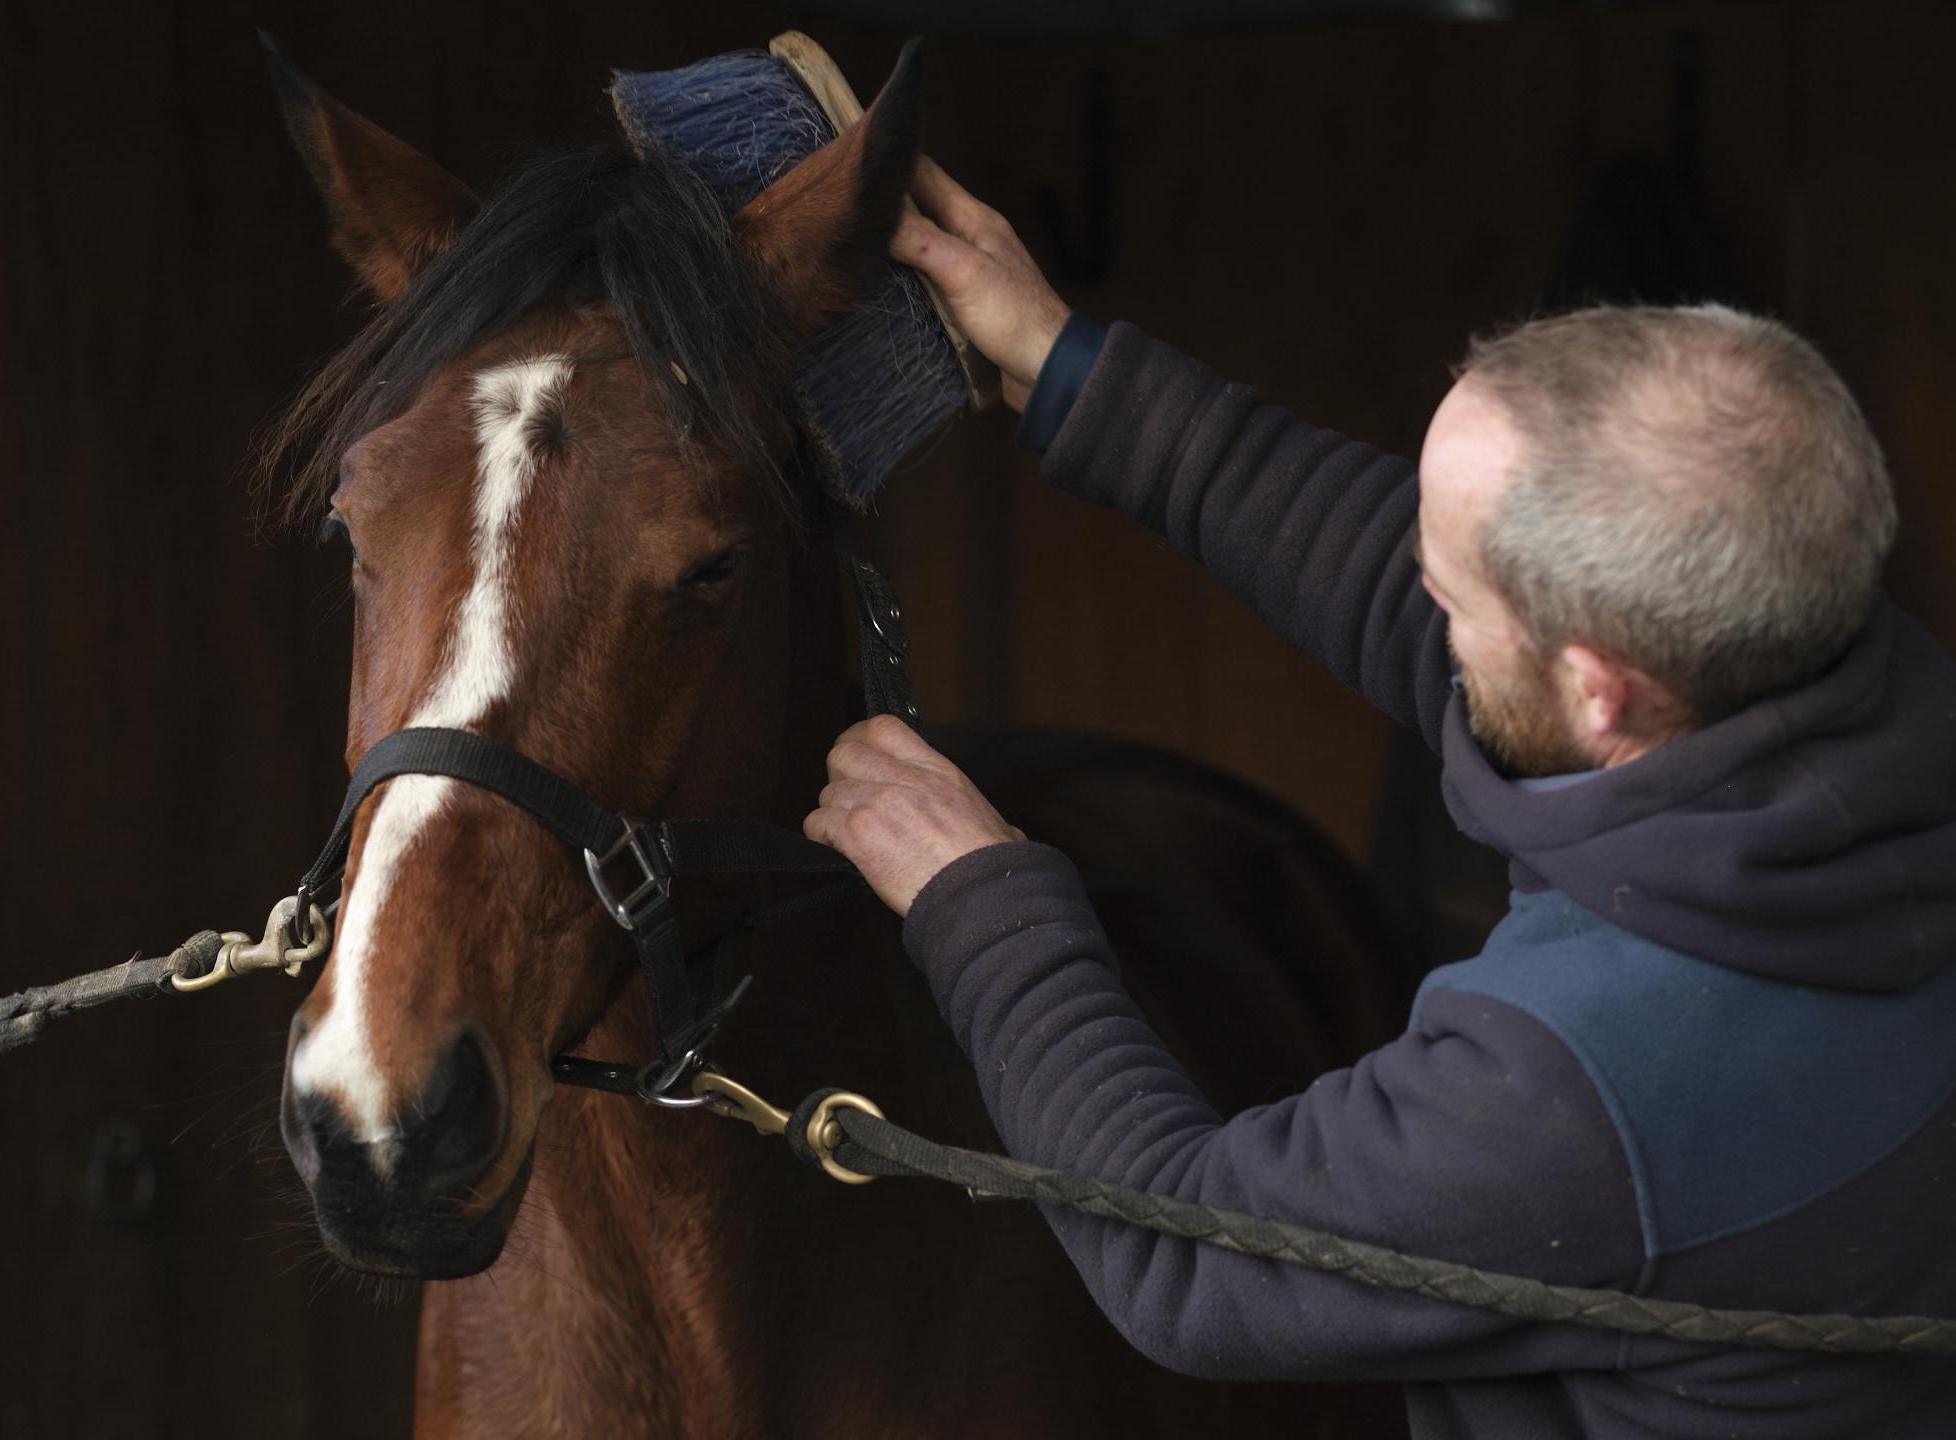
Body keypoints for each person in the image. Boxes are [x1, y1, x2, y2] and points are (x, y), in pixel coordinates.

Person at [800, 156, 1956, 1438]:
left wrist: (984, 905)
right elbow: (1418, 612)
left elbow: (1189, 1261)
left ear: (1602, 690)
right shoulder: (1872, 695)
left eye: (1451, 592)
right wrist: (1082, 375)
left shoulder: (1583, 1089)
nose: (1418, 591)